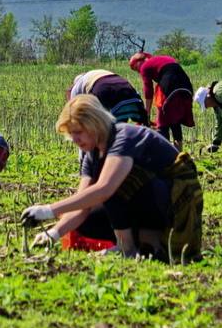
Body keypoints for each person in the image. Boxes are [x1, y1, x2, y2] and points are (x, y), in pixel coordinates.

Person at [20, 95, 203, 261]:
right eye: (71, 134)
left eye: (78, 131)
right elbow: (81, 207)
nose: (74, 139)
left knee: (111, 188)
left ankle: (133, 247)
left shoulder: (123, 137)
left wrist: (48, 210)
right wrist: (54, 233)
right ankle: (142, 246)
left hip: (174, 200)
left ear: (94, 123)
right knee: (88, 220)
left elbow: (105, 189)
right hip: (148, 201)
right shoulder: (91, 154)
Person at [128, 51, 195, 149]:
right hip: (184, 83)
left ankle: (165, 152)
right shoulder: (160, 59)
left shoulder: (145, 66)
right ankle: (179, 151)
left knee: (163, 118)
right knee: (174, 117)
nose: (138, 71)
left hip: (169, 83)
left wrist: (147, 112)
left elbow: (148, 90)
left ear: (139, 62)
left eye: (135, 68)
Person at [68, 69, 148, 125]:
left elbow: (74, 110)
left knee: (103, 127)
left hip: (103, 90)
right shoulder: (97, 73)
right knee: (119, 124)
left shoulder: (77, 86)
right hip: (126, 89)